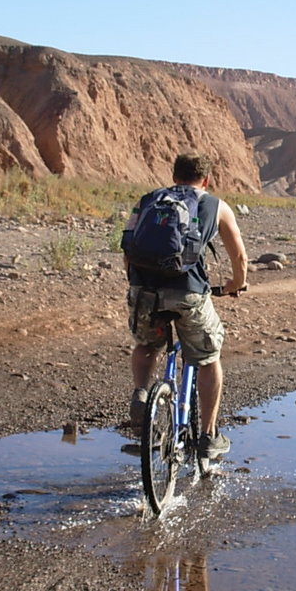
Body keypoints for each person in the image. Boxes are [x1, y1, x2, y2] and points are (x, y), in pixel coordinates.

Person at [123, 152, 248, 460]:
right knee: (208, 358)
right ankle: (208, 435)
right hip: (189, 293)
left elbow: (127, 246)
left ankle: (142, 394)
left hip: (145, 291)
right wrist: (235, 285)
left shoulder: (148, 200)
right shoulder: (216, 206)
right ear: (206, 180)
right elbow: (240, 258)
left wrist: (138, 283)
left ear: (174, 175)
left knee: (146, 345)